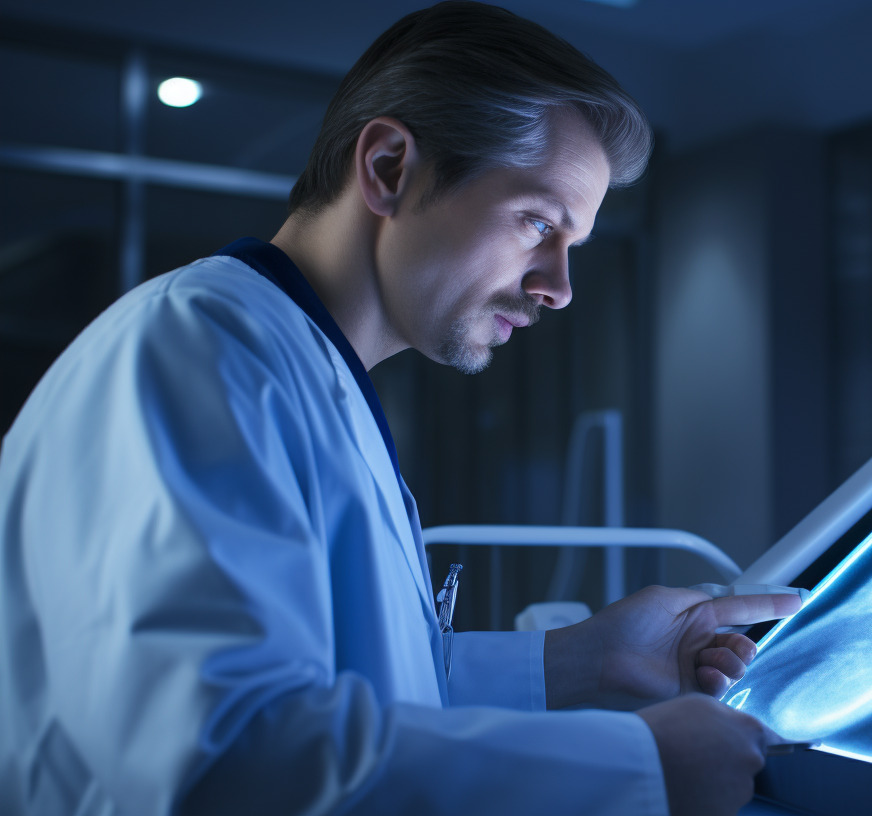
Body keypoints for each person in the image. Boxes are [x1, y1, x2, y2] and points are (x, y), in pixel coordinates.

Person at [0, 3, 801, 815]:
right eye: (536, 223)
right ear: (388, 168)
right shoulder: (201, 351)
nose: (558, 286)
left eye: (572, 245)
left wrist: (584, 658)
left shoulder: (304, 368)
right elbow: (223, 753)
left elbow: (356, 682)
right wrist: (637, 766)